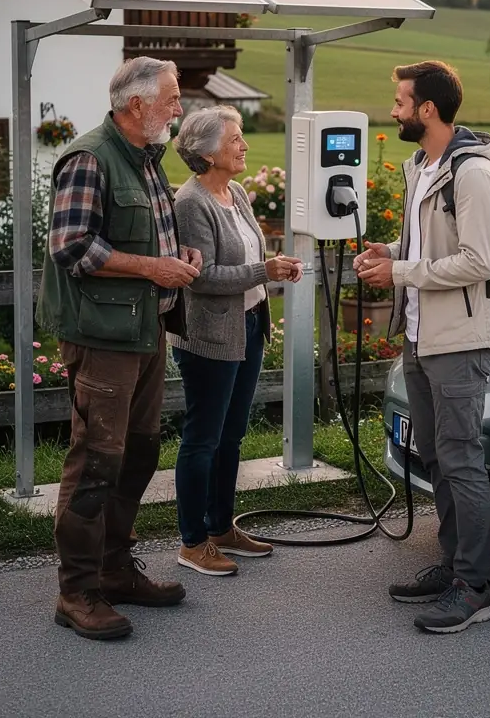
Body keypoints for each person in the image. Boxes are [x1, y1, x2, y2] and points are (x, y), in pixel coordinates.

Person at [38, 57, 202, 641]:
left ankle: (113, 570)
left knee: (138, 452)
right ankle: (76, 592)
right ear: (136, 105)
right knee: (96, 461)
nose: (178, 108)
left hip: (144, 330)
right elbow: (72, 246)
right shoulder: (89, 157)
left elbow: (149, 236)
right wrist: (152, 268)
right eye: (172, 98)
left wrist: (179, 258)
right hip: (102, 336)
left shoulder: (146, 157)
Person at [355, 60, 490, 634]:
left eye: (400, 100)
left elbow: (477, 260)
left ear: (428, 109)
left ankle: (475, 588)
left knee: (462, 457)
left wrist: (400, 272)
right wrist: (390, 252)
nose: (392, 108)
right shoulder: (422, 166)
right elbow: (427, 245)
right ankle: (452, 566)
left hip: (462, 338)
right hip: (421, 336)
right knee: (438, 456)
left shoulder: (473, 173)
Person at [169, 106, 303, 576]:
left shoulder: (237, 192)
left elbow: (250, 260)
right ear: (206, 153)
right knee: (203, 438)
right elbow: (200, 278)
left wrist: (275, 267)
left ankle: (221, 527)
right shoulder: (190, 202)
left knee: (232, 434)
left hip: (249, 325)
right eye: (235, 139)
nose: (244, 145)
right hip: (209, 336)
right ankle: (192, 542)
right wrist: (262, 271)